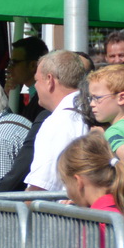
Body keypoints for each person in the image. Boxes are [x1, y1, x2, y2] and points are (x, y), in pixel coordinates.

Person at [24, 51, 89, 191]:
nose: (35, 86)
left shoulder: (58, 122)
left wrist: (20, 211)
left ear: (49, 80)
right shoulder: (93, 110)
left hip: (63, 211)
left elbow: (40, 187)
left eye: (36, 80)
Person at [86, 64, 124, 160]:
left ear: (122, 98)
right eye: (91, 98)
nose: (91, 104)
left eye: (97, 98)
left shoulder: (113, 132)